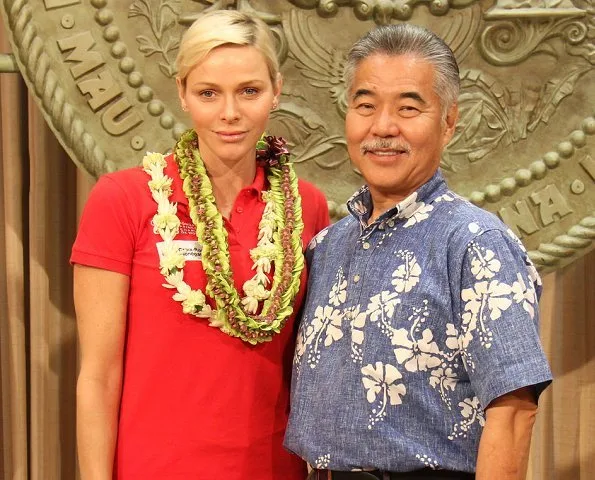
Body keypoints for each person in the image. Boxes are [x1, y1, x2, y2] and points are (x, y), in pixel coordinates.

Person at [284, 23, 552, 480]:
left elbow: (513, 412)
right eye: (365, 105)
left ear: (449, 121)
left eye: (409, 107)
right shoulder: (327, 246)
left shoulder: (474, 243)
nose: (383, 127)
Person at [71, 10, 329, 480]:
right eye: (209, 93)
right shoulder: (123, 199)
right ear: (182, 93)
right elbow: (98, 376)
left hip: (273, 468)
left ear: (277, 90)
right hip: (153, 467)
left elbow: (308, 365)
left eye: (249, 91)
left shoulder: (305, 205)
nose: (230, 113)